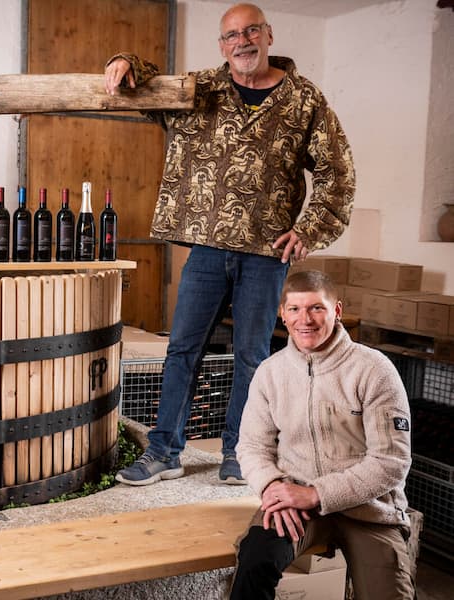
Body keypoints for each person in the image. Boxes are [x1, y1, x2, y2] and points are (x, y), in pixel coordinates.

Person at [105, 3, 355, 485]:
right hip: (207, 248)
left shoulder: (305, 100)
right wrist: (125, 60)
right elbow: (143, 83)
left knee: (252, 358)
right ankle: (164, 452)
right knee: (183, 350)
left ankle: (241, 454)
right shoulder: (199, 89)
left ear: (269, 35)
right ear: (222, 45)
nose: (243, 41)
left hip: (266, 253)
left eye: (251, 31)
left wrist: (309, 229)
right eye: (232, 35)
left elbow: (337, 171)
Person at [231, 270, 414, 599]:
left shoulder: (374, 370)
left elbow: (391, 462)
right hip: (295, 502)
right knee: (254, 563)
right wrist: (274, 489)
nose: (305, 320)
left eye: (317, 308)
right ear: (282, 314)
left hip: (368, 508)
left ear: (337, 311)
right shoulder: (270, 373)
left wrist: (316, 493)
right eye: (295, 309)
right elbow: (252, 446)